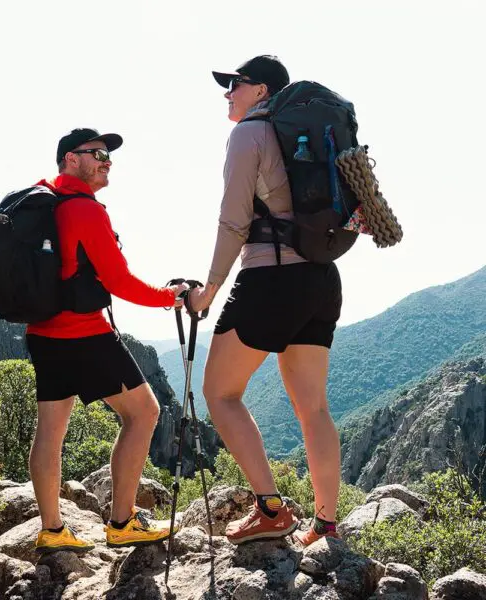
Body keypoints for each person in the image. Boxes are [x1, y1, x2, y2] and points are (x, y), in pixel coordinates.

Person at [188, 56, 343, 546]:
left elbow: (234, 220)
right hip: (321, 278)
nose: (227, 92)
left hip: (271, 279)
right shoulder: (302, 137)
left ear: (261, 91)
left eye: (235, 84)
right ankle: (325, 525)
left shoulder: (249, 135)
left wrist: (207, 292)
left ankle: (271, 509)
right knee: (313, 408)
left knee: (220, 394)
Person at [27, 128, 186, 554]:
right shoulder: (84, 210)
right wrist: (169, 298)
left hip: (43, 332)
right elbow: (118, 280)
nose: (105, 159)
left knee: (50, 431)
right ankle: (121, 522)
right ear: (69, 159)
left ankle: (53, 530)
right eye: (95, 153)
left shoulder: (46, 202)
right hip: (85, 333)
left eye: (108, 154)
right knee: (144, 413)